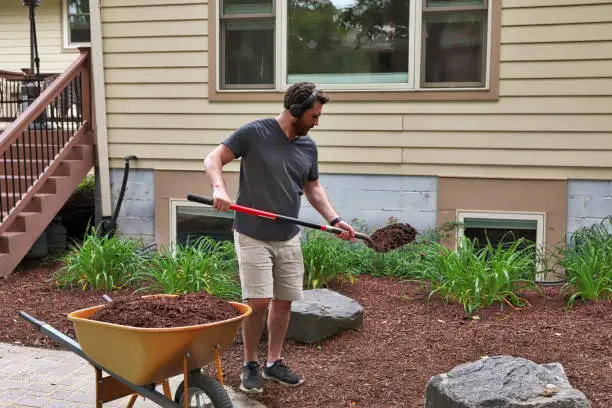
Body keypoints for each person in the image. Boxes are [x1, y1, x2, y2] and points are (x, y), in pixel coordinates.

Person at [203, 81, 356, 394]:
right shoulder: (254, 133)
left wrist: (335, 219)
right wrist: (219, 188)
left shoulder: (307, 146)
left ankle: (274, 362)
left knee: (284, 301)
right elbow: (213, 159)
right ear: (295, 110)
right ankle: (249, 364)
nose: (317, 121)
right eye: (314, 115)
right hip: (252, 233)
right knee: (258, 302)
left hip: (287, 235)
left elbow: (312, 187)